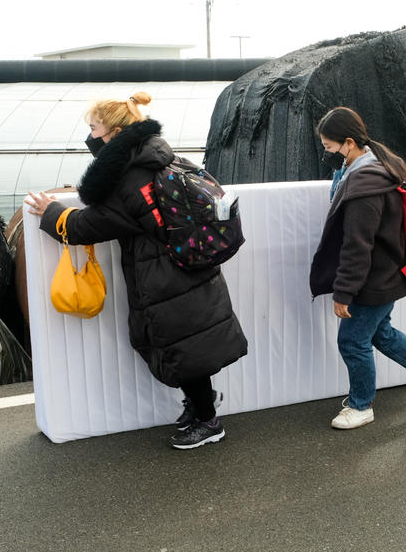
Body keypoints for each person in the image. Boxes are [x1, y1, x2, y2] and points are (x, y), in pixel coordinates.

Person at [24, 92, 247, 449]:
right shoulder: (157, 157)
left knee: (183, 350)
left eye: (94, 128)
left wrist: (51, 213)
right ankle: (201, 406)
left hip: (165, 277)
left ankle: (209, 422)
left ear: (113, 132)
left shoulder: (130, 178)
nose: (90, 135)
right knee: (188, 346)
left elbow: (88, 226)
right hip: (186, 269)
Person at [309, 106, 406, 430]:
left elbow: (358, 245)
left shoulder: (364, 185)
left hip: (373, 277)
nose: (326, 152)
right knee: (380, 333)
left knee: (352, 341)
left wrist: (343, 292)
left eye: (330, 146)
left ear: (348, 142)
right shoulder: (380, 163)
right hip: (388, 270)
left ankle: (362, 405)